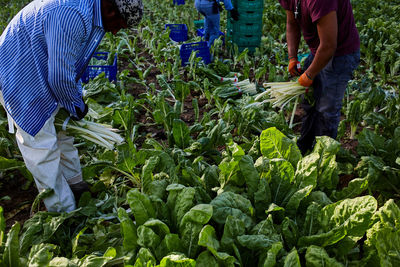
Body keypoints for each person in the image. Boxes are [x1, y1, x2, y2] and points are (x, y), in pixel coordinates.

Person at [0, 0, 143, 213]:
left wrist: (73, 101)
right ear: (111, 10)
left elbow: (67, 62)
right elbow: (58, 77)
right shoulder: (73, 14)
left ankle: (76, 186)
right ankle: (64, 213)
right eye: (119, 25)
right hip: (19, 71)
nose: (115, 32)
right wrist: (76, 105)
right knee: (41, 144)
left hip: (38, 65)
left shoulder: (88, 12)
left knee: (63, 129)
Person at [279, 0, 360, 155]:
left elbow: (329, 45)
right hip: (319, 50)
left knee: (326, 110)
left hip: (341, 53)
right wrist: (292, 57)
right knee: (310, 104)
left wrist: (309, 74)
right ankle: (304, 147)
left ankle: (322, 159)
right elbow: (292, 24)